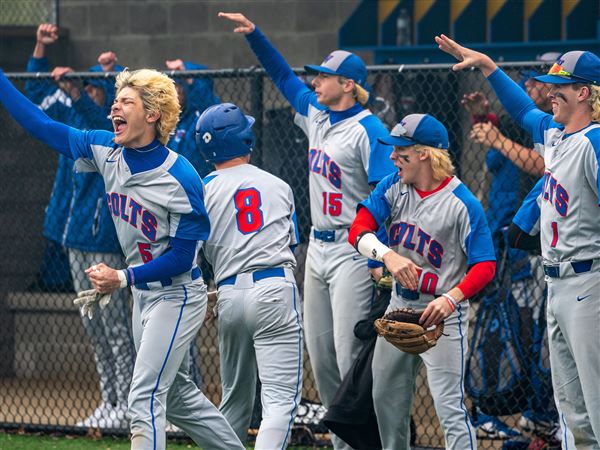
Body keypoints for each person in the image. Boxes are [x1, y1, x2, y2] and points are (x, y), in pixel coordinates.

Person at [0, 67, 245, 449]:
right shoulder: (106, 150)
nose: (115, 106)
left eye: (126, 101)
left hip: (178, 294)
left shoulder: (180, 176)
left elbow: (182, 257)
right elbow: (41, 123)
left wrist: (122, 278)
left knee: (143, 396)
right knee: (178, 400)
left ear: (152, 115)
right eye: (116, 101)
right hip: (143, 296)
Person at [218, 12, 395, 449]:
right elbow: (281, 76)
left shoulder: (369, 129)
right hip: (316, 246)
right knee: (320, 356)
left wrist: (379, 255)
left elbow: (385, 194)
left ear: (348, 84)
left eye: (324, 77)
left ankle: (371, 441)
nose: (315, 82)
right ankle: (343, 444)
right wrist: (256, 36)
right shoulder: (316, 115)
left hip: (354, 250)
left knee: (347, 351)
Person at [437, 34, 600, 448]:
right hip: (558, 284)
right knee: (572, 414)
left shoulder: (595, 142)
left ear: (583, 93)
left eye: (559, 87)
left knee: (596, 407)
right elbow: (523, 109)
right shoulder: (557, 133)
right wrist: (488, 66)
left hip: (590, 281)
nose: (549, 94)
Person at [348, 113, 497, 449]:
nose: (391, 158)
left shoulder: (463, 203)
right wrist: (387, 254)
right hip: (399, 305)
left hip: (442, 314)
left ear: (425, 154)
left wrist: (450, 299)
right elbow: (357, 230)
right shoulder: (392, 187)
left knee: (449, 407)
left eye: (401, 152)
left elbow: (485, 264)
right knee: (386, 400)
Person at [26, 23, 134, 429]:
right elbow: (35, 102)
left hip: (102, 238)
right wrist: (39, 49)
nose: (87, 94)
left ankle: (127, 403)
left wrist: (86, 90)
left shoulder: (114, 131)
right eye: (84, 88)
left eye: (94, 88)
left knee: (116, 327)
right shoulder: (74, 119)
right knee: (94, 326)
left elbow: (101, 119)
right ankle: (109, 401)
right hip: (73, 236)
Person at [196, 102, 303, 449]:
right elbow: (292, 245)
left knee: (235, 401)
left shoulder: (200, 188)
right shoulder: (278, 185)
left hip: (228, 294)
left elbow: (192, 255)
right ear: (245, 138)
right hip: (273, 288)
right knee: (280, 402)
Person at [165, 58, 219, 177]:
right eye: (172, 85)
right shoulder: (168, 118)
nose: (175, 91)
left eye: (180, 85)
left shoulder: (200, 116)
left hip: (200, 184)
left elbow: (211, 111)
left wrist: (189, 77)